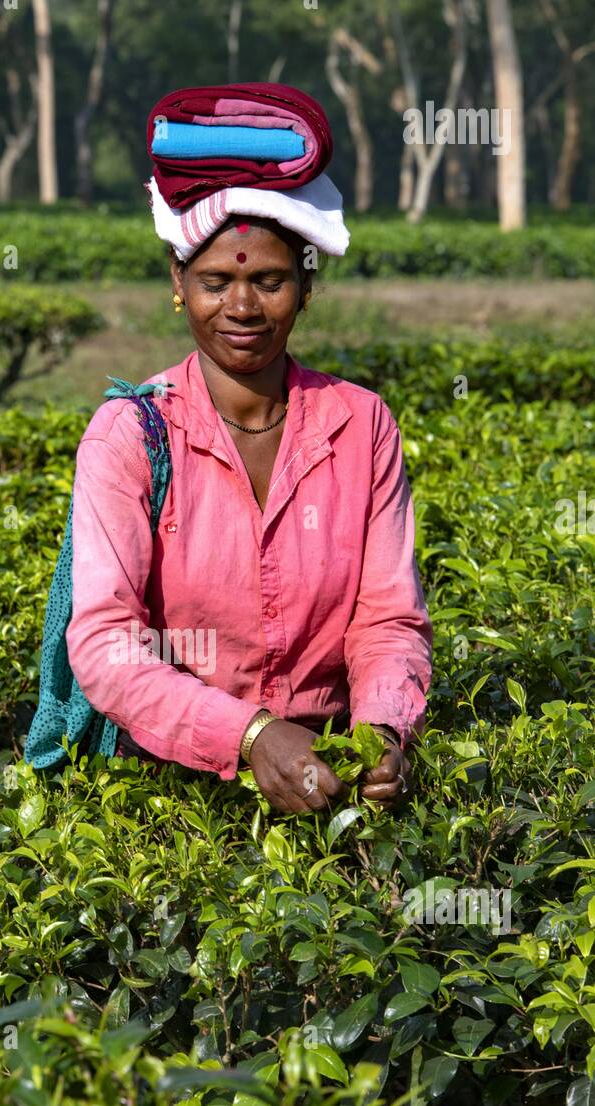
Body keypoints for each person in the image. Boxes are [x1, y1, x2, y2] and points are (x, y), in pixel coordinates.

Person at [65, 83, 432, 815]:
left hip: (335, 784)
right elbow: (106, 644)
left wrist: (383, 734)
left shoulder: (361, 425)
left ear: (305, 285)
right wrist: (252, 735)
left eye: (268, 280)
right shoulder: (131, 436)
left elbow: (388, 616)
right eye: (214, 282)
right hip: (174, 798)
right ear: (178, 283)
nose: (240, 307)